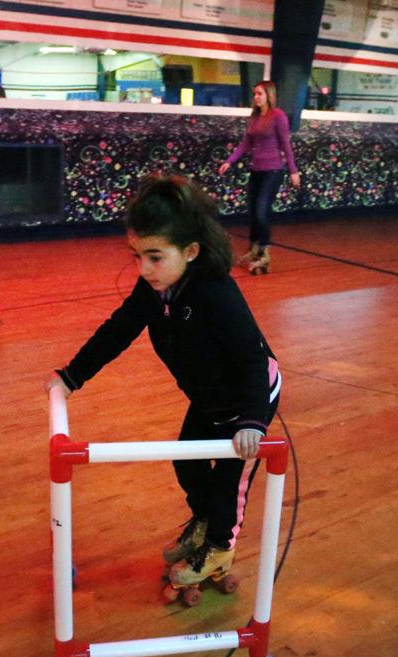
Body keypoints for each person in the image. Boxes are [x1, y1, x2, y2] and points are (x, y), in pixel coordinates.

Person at [46, 175, 282, 596]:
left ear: (190, 252)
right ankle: (205, 522)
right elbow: (118, 330)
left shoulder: (216, 293)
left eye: (155, 257)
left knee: (230, 480)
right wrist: (72, 376)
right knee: (187, 463)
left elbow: (250, 358)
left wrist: (251, 422)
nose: (143, 269)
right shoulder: (154, 289)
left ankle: (219, 547)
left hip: (248, 396)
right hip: (208, 396)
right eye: (137, 256)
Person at [218, 80, 300, 274]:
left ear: (268, 95)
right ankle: (254, 248)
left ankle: (264, 252)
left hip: (273, 171)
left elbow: (286, 144)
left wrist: (293, 170)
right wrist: (229, 161)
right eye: (254, 93)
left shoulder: (277, 116)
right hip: (256, 170)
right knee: (253, 211)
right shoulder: (254, 117)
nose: (256, 97)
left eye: (259, 94)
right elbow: (245, 144)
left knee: (262, 210)